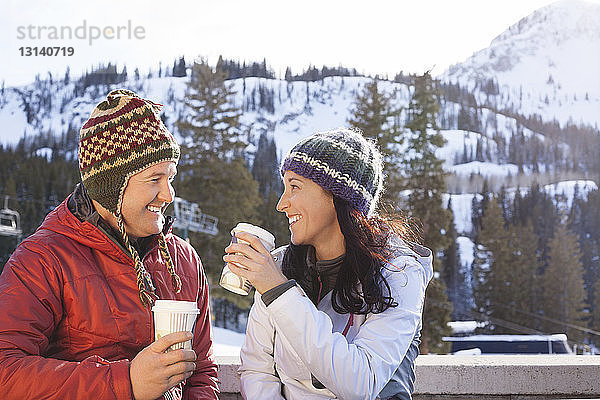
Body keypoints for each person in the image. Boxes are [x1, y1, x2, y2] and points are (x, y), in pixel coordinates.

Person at [0, 90, 219, 400]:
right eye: (154, 179)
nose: (169, 194)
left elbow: (202, 372)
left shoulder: (183, 259)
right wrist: (125, 382)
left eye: (171, 177)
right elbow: (5, 372)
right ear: (111, 187)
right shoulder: (43, 259)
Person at [224, 128, 434, 400]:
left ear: (337, 196)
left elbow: (361, 382)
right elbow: (256, 368)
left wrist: (277, 290)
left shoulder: (398, 272)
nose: (281, 204)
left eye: (295, 187)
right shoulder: (281, 264)